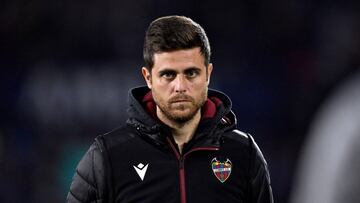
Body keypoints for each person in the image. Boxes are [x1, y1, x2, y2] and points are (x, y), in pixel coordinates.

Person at [66, 15, 273, 203]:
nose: (180, 86)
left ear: (208, 74)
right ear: (148, 78)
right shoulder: (108, 157)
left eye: (191, 73)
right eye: (168, 75)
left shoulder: (243, 154)